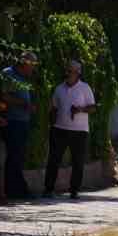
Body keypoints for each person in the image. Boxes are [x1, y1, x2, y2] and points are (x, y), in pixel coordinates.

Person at [46, 59, 97, 199]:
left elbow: (93, 107)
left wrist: (80, 109)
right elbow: (54, 108)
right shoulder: (59, 88)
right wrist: (51, 124)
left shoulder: (85, 88)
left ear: (77, 73)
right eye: (67, 70)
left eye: (71, 71)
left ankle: (74, 191)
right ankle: (48, 189)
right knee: (54, 159)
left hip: (80, 131)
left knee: (78, 161)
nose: (67, 73)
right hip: (59, 129)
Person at [0, 51, 38, 200]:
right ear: (25, 63)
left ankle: (16, 190)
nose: (33, 68)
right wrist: (25, 104)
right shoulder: (8, 74)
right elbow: (4, 96)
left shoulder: (23, 78)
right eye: (32, 65)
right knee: (14, 155)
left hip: (22, 121)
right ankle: (16, 190)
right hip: (12, 121)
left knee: (18, 156)